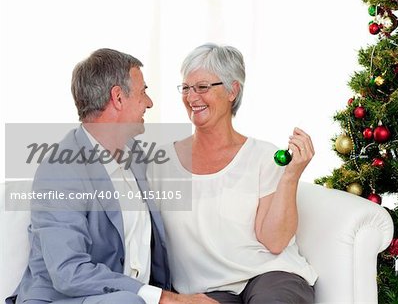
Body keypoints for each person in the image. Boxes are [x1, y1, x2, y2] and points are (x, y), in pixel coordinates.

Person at [6, 48, 217, 304]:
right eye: (143, 92)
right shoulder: (60, 171)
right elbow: (68, 273)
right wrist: (162, 298)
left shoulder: (136, 155)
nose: (149, 102)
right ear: (118, 97)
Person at [149, 43, 318, 303]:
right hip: (207, 291)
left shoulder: (263, 156)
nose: (192, 97)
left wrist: (291, 176)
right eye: (186, 88)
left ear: (232, 91)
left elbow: (274, 242)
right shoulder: (160, 163)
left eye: (203, 87)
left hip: (270, 276)